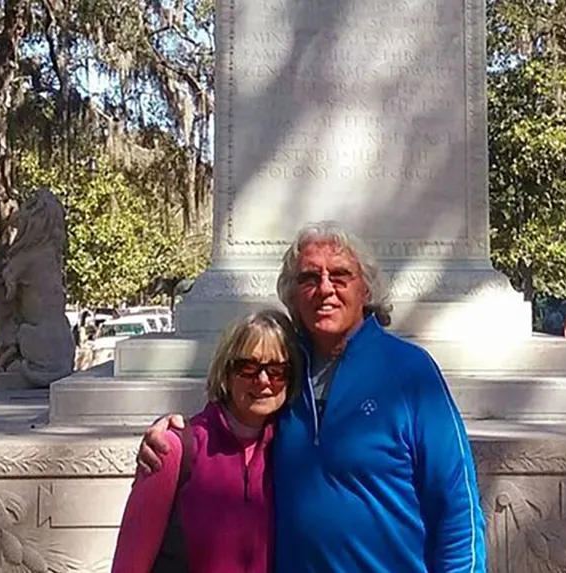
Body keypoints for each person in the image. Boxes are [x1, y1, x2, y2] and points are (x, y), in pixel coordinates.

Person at [137, 221, 487, 572]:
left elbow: (458, 507)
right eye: (309, 278)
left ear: (366, 290)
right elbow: (232, 423)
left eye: (340, 276)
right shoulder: (282, 370)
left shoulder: (411, 372)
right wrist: (173, 436)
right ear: (292, 295)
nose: (324, 289)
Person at [112, 309, 301, 573]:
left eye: (277, 370)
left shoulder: (294, 450)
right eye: (247, 367)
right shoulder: (172, 449)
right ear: (226, 372)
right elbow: (130, 563)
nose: (263, 380)